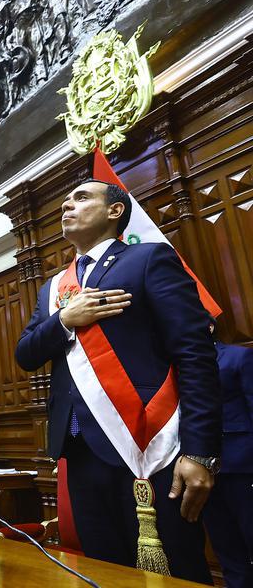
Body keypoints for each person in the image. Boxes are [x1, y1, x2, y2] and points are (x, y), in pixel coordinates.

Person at [15, 180, 220, 583]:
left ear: (115, 212)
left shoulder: (148, 259)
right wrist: (65, 320)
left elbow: (194, 354)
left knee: (175, 567)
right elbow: (26, 354)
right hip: (80, 449)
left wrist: (200, 452)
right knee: (103, 567)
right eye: (65, 201)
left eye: (81, 198)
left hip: (150, 443)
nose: (67, 206)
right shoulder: (54, 288)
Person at [202, 328, 253, 588]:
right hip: (205, 473)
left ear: (209, 326)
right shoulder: (178, 366)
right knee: (227, 550)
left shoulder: (238, 357)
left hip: (242, 467)